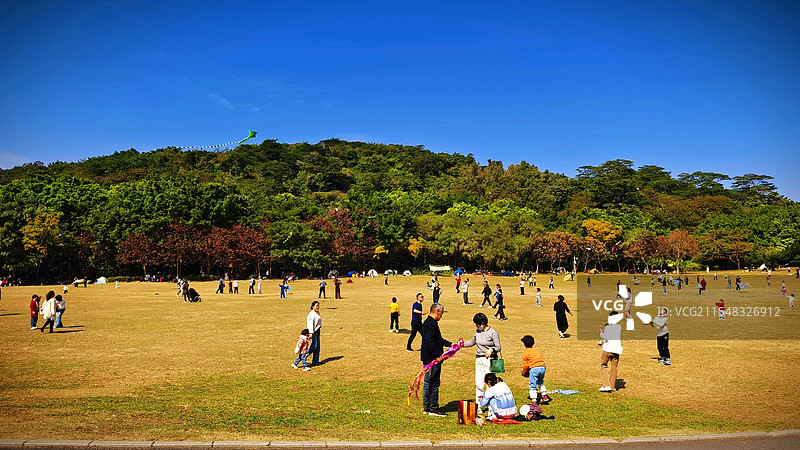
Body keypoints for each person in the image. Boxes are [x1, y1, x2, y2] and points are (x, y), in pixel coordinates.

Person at [421, 303, 454, 417]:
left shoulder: (428, 322)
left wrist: (451, 345)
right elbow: (429, 341)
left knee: (428, 382)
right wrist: (437, 356)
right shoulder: (432, 324)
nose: (441, 316)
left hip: (427, 358)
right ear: (436, 312)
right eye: (441, 313)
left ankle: (427, 407)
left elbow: (438, 340)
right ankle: (433, 408)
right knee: (433, 383)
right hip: (432, 359)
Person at [463, 313, 501, 403]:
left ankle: (491, 405)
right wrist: (460, 345)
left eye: (477, 324)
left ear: (483, 323)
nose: (476, 326)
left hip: (489, 360)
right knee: (479, 383)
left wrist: (491, 349)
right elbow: (472, 342)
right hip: (479, 359)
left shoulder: (493, 332)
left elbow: (498, 347)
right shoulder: (478, 332)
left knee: (490, 383)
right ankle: (479, 405)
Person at [521, 334, 550, 403]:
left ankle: (534, 400)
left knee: (532, 385)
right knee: (540, 382)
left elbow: (526, 365)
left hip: (534, 369)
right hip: (542, 367)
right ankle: (544, 395)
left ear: (524, 344)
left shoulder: (526, 352)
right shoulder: (535, 350)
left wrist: (524, 372)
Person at [599, 311, 623, 392]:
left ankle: (606, 385)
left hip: (607, 350)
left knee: (603, 365)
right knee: (614, 368)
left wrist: (601, 333)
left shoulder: (607, 327)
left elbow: (605, 338)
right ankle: (612, 387)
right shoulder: (619, 327)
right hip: (616, 350)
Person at [306, 301, 322, 365]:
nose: (318, 307)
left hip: (318, 330)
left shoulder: (317, 312)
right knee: (314, 346)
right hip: (313, 332)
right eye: (316, 306)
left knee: (318, 347)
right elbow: (310, 324)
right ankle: (303, 356)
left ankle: (315, 361)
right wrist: (311, 333)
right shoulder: (311, 314)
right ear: (313, 307)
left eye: (318, 306)